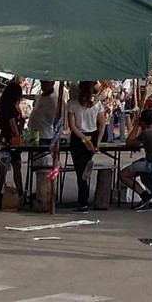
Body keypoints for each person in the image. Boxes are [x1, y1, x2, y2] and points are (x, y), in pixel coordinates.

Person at [119, 107, 152, 209]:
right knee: (144, 174)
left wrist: (136, 126)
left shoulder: (147, 133)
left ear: (142, 122)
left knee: (123, 174)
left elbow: (130, 142)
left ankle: (144, 195)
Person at [66, 81, 106, 213]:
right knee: (84, 165)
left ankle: (83, 202)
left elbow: (72, 126)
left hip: (79, 138)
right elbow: (102, 123)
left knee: (80, 170)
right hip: (93, 135)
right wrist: (98, 141)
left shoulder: (72, 104)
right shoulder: (97, 104)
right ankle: (88, 162)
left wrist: (84, 139)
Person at [0, 80, 26, 203]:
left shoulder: (3, 106)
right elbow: (12, 124)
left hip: (3, 137)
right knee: (16, 166)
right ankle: (20, 191)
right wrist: (17, 135)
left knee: (3, 169)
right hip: (12, 139)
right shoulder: (11, 108)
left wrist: (2, 126)